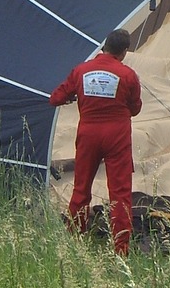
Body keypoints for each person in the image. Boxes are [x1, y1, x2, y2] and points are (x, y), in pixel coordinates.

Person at [50, 28, 142, 256]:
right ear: (124, 52)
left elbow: (56, 98)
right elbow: (135, 109)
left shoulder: (81, 70)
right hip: (117, 136)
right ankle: (121, 250)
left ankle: (75, 239)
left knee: (81, 189)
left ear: (104, 45)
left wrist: (75, 96)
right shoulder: (128, 75)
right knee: (119, 194)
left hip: (88, 134)